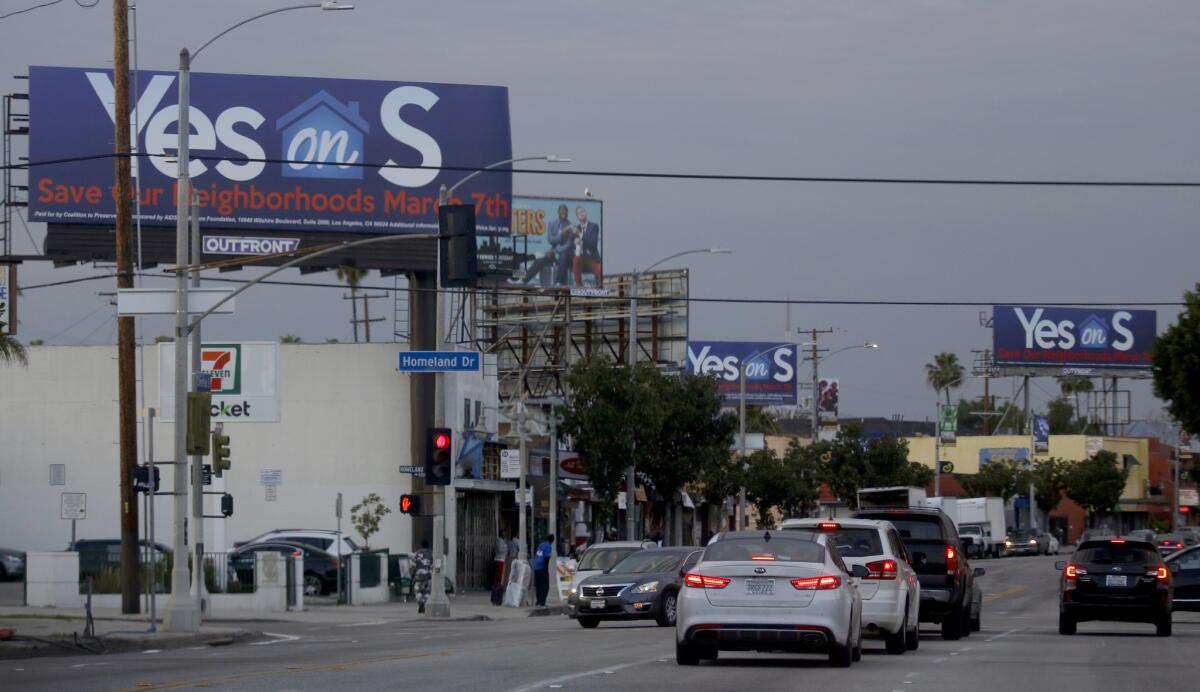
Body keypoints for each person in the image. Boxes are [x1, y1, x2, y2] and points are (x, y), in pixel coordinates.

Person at [516, 204, 575, 286]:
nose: (563, 212)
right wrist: (561, 234)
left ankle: (558, 282)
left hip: (565, 255)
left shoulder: (570, 226)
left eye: (565, 210)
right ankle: (524, 280)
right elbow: (550, 240)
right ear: (558, 212)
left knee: (563, 255)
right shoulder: (552, 223)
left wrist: (556, 250)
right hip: (554, 253)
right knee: (540, 260)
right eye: (561, 210)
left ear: (567, 212)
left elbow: (569, 244)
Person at [571, 206, 602, 287]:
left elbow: (593, 242)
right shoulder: (576, 228)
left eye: (582, 211)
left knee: (600, 272)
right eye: (578, 213)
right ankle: (578, 285)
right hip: (581, 258)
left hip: (592, 258)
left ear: (585, 213)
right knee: (576, 259)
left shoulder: (594, 226)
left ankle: (600, 288)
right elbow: (571, 244)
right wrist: (574, 242)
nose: (580, 214)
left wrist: (580, 235)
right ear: (577, 217)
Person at [532, 534, 555, 607]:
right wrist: (546, 569)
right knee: (545, 586)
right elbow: (546, 558)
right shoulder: (548, 546)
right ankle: (542, 602)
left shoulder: (540, 545)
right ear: (552, 541)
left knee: (538, 585)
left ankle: (538, 602)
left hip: (536, 567)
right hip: (542, 567)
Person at [411, 540, 433, 614]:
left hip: (419, 575)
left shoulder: (417, 554)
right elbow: (434, 566)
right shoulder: (431, 554)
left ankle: (420, 601)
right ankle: (424, 602)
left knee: (418, 590)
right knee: (427, 591)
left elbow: (413, 566)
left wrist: (412, 575)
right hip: (428, 576)